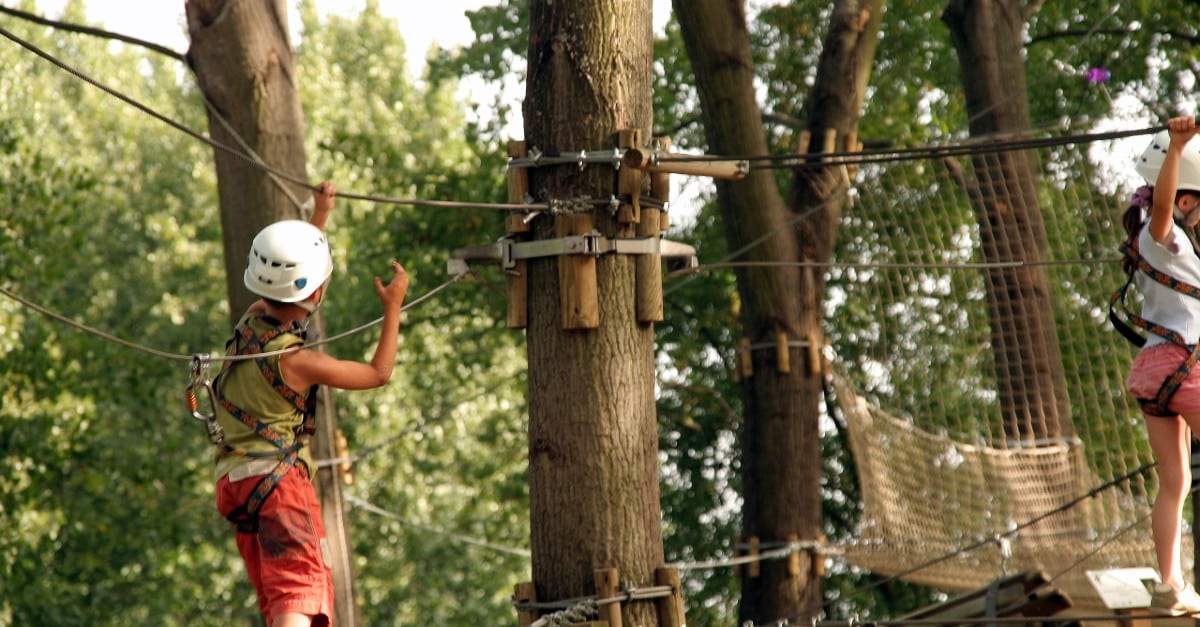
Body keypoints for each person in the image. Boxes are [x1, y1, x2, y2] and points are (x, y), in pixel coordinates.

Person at [212, 181, 409, 627]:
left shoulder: (250, 324)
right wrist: (393, 307)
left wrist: (319, 218)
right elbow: (377, 374)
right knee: (298, 591)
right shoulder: (299, 362)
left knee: (277, 593)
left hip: (234, 482)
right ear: (317, 292)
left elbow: (285, 277)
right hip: (278, 485)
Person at [1122, 116, 1200, 616]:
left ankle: (1173, 584)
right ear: (1187, 201)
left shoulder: (1179, 251)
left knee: (1175, 482)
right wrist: (1176, 149)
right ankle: (1174, 583)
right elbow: (1165, 206)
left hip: (1154, 369)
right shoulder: (1163, 237)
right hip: (1184, 365)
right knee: (1175, 482)